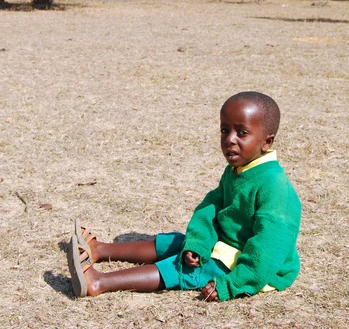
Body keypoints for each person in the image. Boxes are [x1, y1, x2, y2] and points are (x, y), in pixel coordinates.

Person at [67, 91, 301, 301]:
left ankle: (98, 283)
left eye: (242, 133)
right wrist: (199, 243)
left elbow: (268, 249)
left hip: (254, 267)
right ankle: (99, 250)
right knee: (179, 242)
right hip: (227, 243)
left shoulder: (275, 187)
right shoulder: (239, 169)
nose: (229, 139)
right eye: (224, 130)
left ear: (267, 141)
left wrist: (233, 285)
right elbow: (211, 206)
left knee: (185, 268)